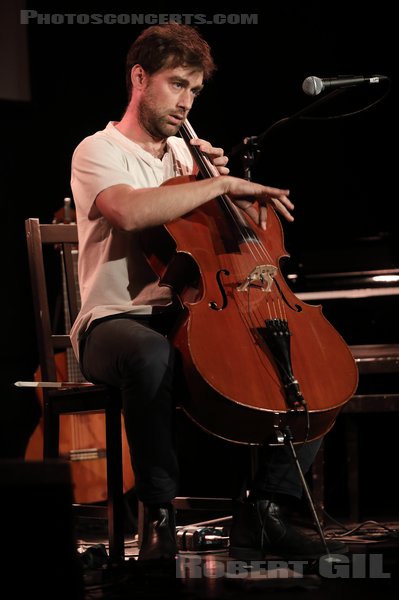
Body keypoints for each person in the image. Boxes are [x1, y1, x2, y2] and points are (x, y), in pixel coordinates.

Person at [70, 22, 346, 562]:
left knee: (304, 357)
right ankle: (159, 516)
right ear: (139, 78)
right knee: (148, 353)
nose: (186, 102)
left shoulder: (187, 155)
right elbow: (129, 210)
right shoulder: (96, 150)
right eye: (177, 84)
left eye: (195, 90)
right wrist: (216, 185)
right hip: (115, 319)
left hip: (193, 313)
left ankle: (265, 510)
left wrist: (223, 195)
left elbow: (225, 250)